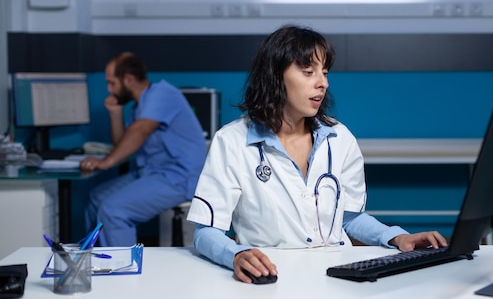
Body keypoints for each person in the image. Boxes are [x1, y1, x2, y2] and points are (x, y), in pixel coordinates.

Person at [187, 25, 447, 284]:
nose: (323, 83)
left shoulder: (339, 138)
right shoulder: (232, 141)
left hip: (337, 277)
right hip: (271, 277)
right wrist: (236, 254)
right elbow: (206, 230)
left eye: (324, 72)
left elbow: (349, 218)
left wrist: (397, 237)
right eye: (308, 71)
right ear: (275, 76)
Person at [81, 52, 207, 246]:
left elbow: (139, 132)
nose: (109, 89)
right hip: (150, 173)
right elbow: (123, 142)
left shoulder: (162, 94)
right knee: (96, 198)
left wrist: (106, 162)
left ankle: (122, 271)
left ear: (129, 80)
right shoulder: (139, 106)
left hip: (179, 177)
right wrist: (115, 113)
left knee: (114, 210)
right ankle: (93, 261)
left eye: (112, 83)